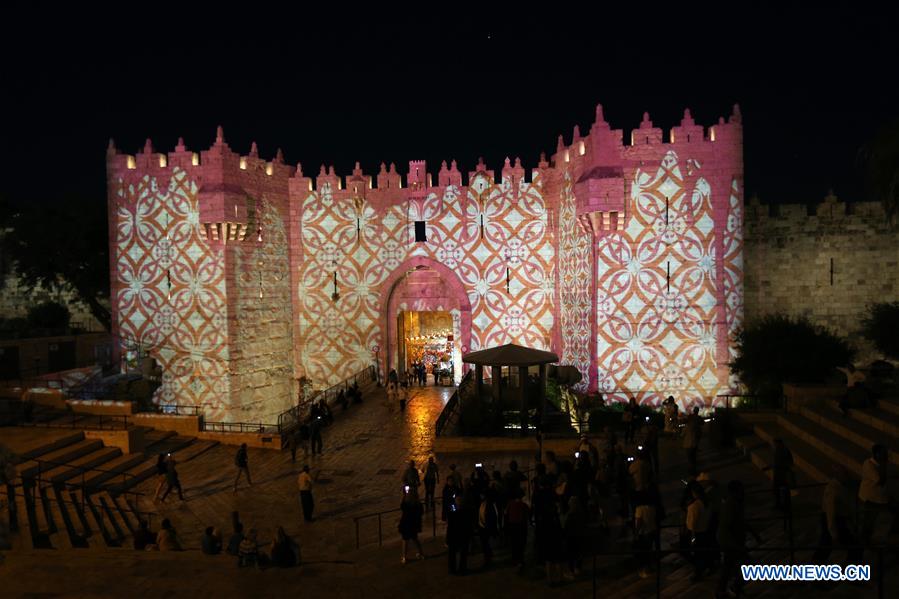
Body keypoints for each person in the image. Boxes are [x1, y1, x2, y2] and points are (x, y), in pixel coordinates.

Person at [716, 480, 760, 598]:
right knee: (747, 565)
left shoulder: (734, 503)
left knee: (728, 566)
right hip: (731, 543)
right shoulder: (731, 505)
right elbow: (728, 527)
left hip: (731, 542)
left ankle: (724, 589)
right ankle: (734, 587)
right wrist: (737, 545)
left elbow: (740, 522)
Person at [814, 464, 860, 563]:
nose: (847, 477)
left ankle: (815, 566)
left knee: (825, 545)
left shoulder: (838, 486)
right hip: (835, 520)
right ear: (838, 475)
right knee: (852, 545)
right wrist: (833, 531)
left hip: (836, 519)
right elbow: (831, 511)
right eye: (844, 474)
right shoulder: (833, 489)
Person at [859, 444, 890, 545]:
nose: (886, 455)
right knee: (868, 523)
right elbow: (880, 480)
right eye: (883, 453)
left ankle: (868, 541)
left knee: (873, 522)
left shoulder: (878, 464)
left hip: (878, 499)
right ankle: (864, 544)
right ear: (876, 454)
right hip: (870, 499)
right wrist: (884, 465)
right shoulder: (869, 464)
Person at [685, 481, 711, 582]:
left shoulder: (694, 506)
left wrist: (692, 538)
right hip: (705, 531)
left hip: (695, 533)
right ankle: (704, 568)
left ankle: (698, 573)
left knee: (695, 553)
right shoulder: (707, 503)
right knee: (702, 552)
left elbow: (692, 525)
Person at [633, 491, 657, 579]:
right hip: (652, 530)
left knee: (643, 552)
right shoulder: (652, 507)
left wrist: (636, 532)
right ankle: (649, 568)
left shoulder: (639, 509)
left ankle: (644, 570)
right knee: (649, 550)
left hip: (644, 532)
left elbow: (639, 521)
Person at [399, 487, 425, 564]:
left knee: (405, 540)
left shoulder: (406, 503)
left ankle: (404, 557)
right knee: (415, 539)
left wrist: (404, 496)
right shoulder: (418, 504)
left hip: (406, 524)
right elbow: (421, 513)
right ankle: (421, 554)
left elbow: (402, 507)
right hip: (414, 524)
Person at [505, 488, 529, 567]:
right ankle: (520, 560)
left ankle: (515, 559)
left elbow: (506, 513)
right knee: (521, 544)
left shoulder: (510, 503)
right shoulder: (523, 505)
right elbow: (527, 514)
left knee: (514, 543)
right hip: (521, 525)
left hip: (512, 525)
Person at [445, 494, 469, 575]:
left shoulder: (453, 513)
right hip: (462, 535)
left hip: (455, 535)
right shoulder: (466, 512)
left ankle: (454, 569)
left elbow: (450, 526)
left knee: (453, 554)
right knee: (461, 554)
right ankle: (461, 569)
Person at [771, 438, 794, 511]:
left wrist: (783, 467)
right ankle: (780, 505)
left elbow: (790, 462)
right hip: (778, 474)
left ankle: (784, 505)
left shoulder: (784, 451)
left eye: (775, 444)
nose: (774, 445)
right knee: (778, 491)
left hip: (782, 475)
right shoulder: (777, 450)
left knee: (783, 491)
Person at [683, 407, 702, 476]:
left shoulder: (687, 426)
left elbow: (682, 434)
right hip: (694, 444)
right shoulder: (697, 422)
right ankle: (693, 471)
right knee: (693, 458)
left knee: (690, 459)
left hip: (687, 445)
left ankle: (691, 471)